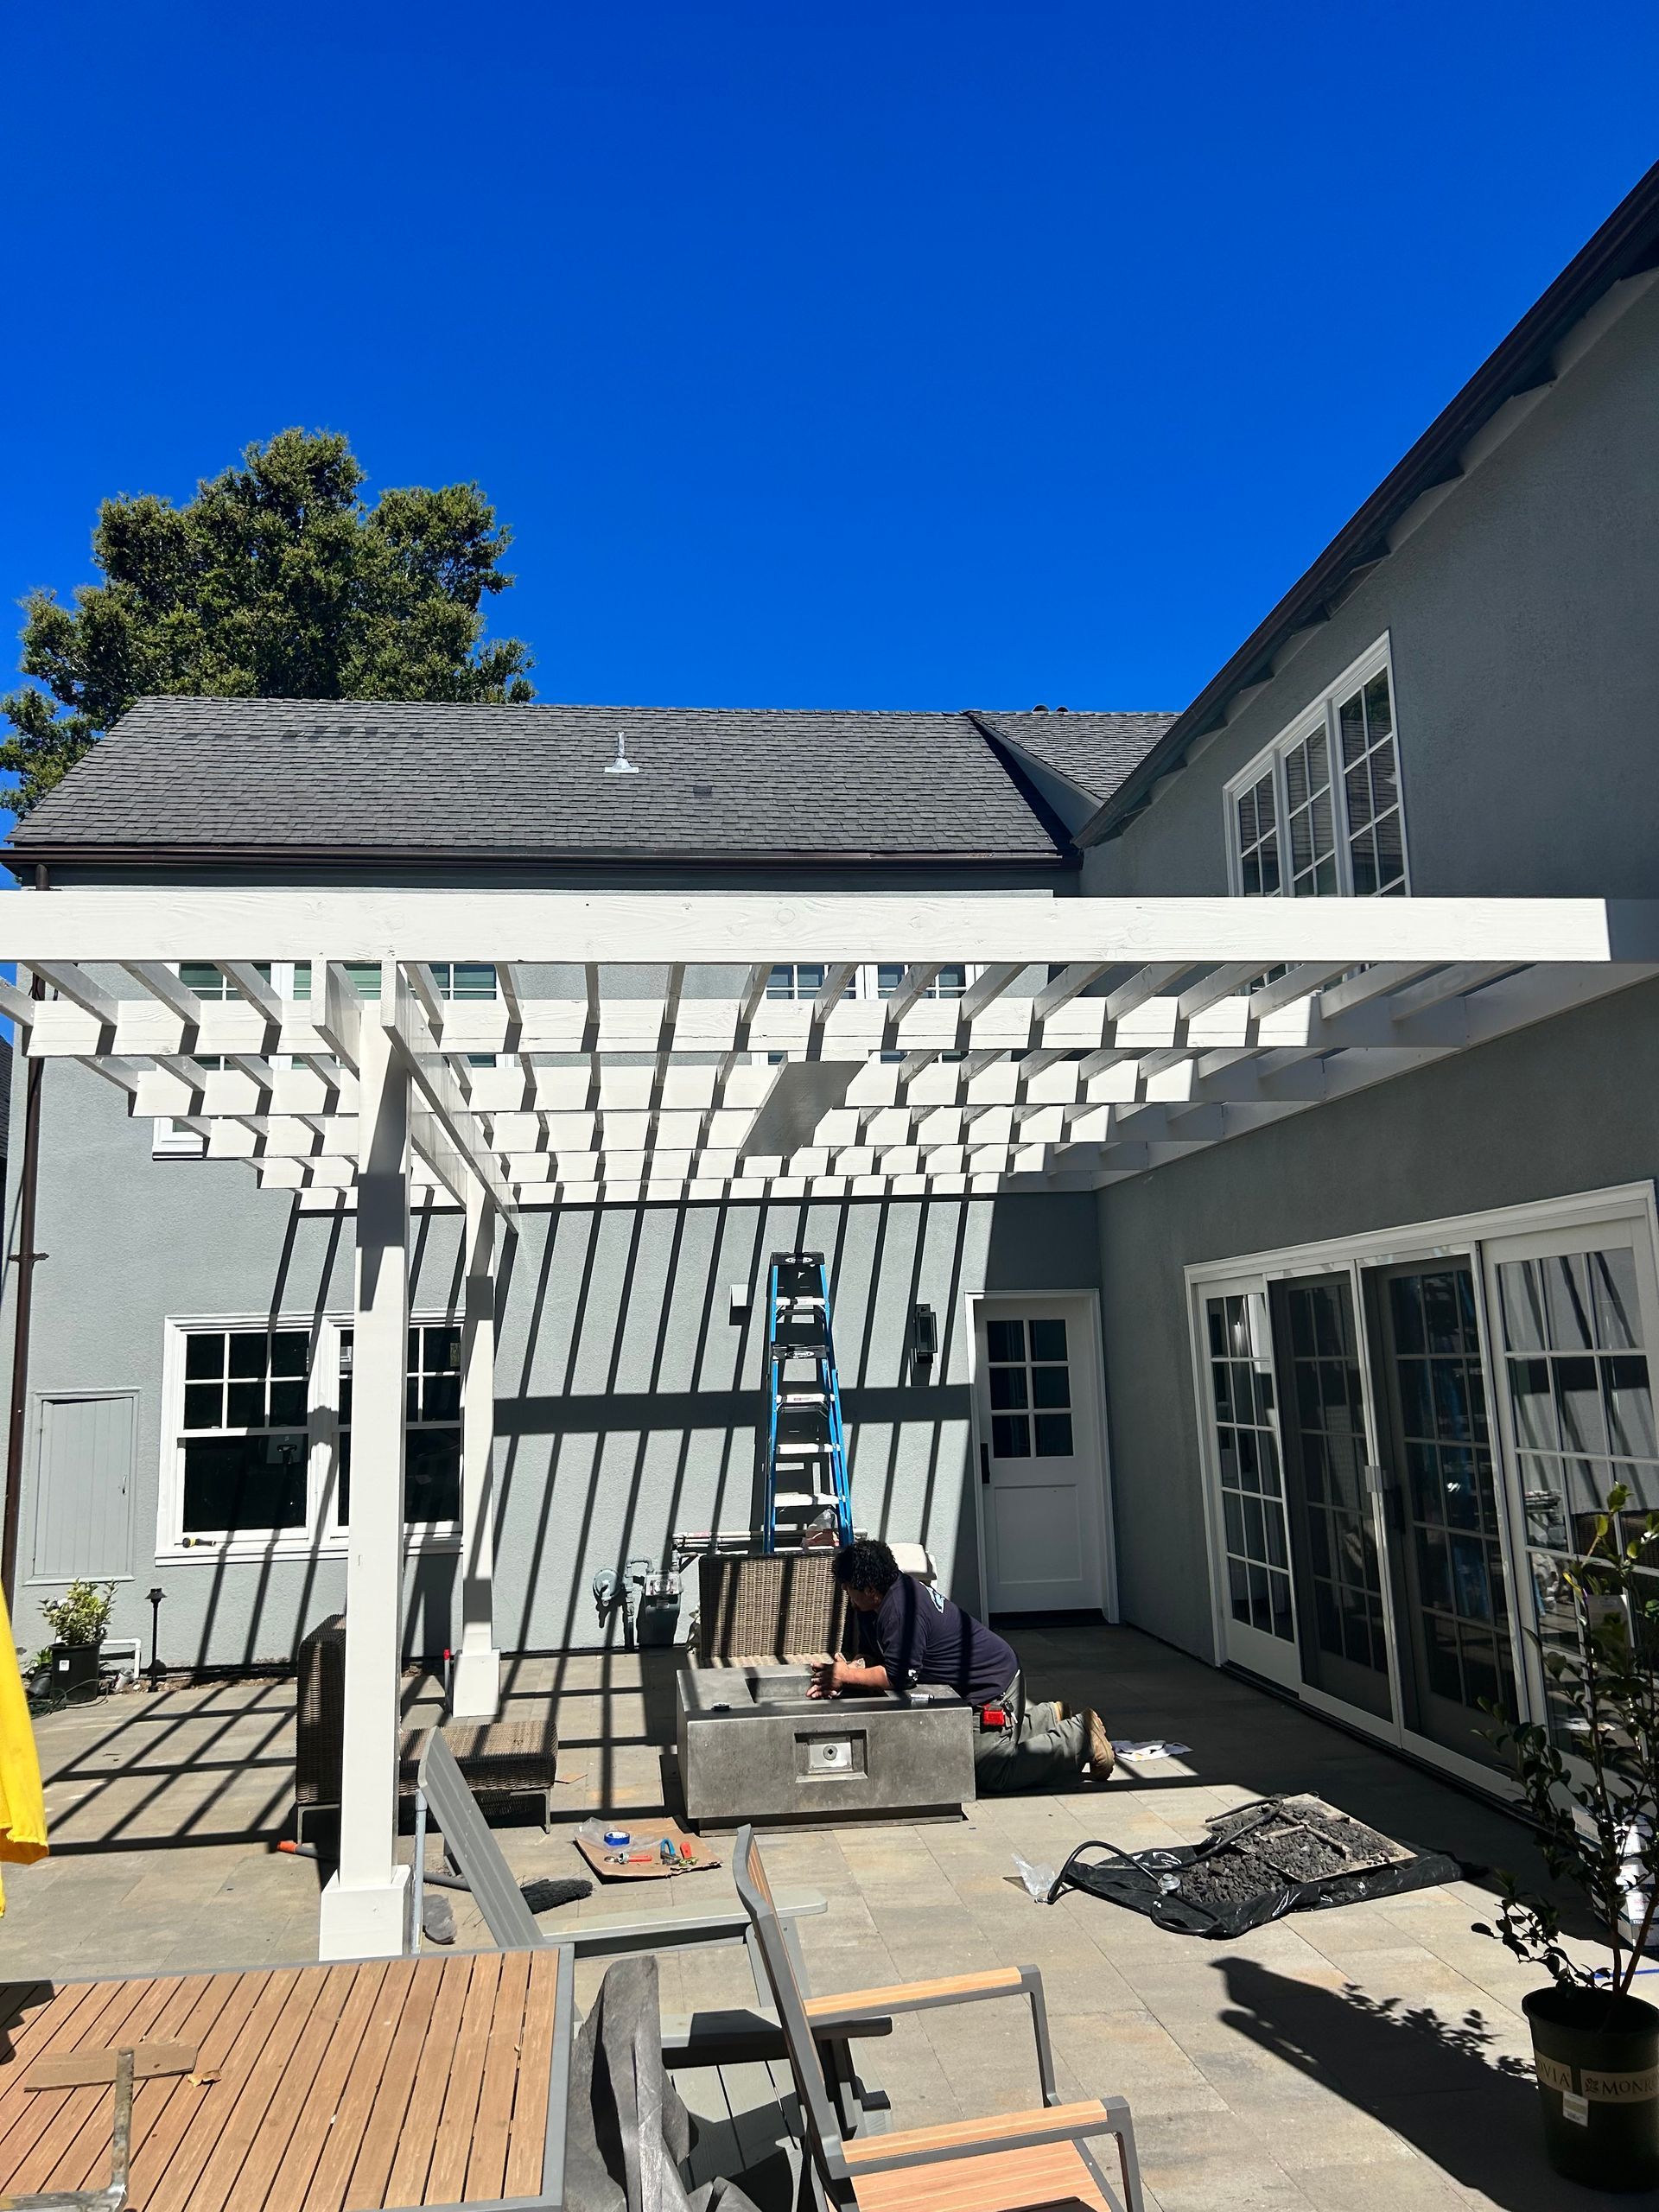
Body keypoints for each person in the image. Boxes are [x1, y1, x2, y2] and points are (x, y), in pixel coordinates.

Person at [808, 1539, 1114, 1793]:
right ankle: (1048, 1716)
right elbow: (880, 1656)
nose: (847, 1595)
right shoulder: (881, 1598)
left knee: (989, 1770)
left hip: (992, 1685)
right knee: (966, 1747)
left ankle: (1081, 1735)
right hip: (986, 1676)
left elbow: (899, 1676)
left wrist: (848, 1676)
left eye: (849, 1589)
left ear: (870, 1588)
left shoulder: (902, 1612)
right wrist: (851, 1668)